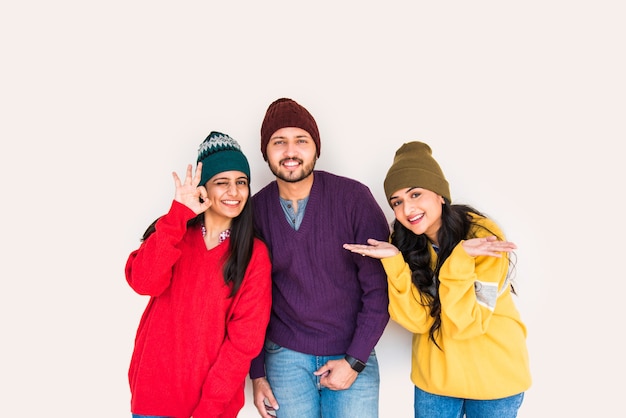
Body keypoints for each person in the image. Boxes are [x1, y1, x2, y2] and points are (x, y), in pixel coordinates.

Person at [344, 141, 532, 418]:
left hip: (496, 379)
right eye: (397, 202)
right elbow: (417, 320)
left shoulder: (483, 237)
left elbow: (466, 325)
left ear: (440, 195)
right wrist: (394, 262)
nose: (408, 209)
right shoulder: (404, 244)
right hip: (436, 382)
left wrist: (459, 260)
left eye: (416, 194)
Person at [249, 98, 390, 418]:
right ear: (266, 152)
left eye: (301, 140)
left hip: (352, 350)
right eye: (279, 142)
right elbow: (251, 298)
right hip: (284, 358)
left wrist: (355, 360)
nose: (290, 151)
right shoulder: (256, 211)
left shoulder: (354, 199)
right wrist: (257, 373)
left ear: (316, 148)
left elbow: (379, 288)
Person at [125, 131, 272, 418]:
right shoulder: (173, 232)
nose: (234, 192)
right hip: (152, 400)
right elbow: (142, 282)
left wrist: (209, 409)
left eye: (241, 182)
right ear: (204, 188)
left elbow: (243, 344)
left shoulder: (253, 254)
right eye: (222, 182)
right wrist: (178, 214)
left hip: (210, 409)